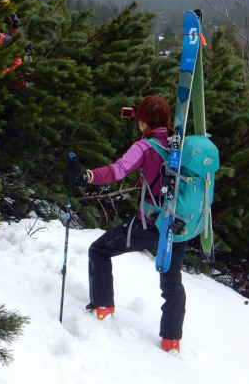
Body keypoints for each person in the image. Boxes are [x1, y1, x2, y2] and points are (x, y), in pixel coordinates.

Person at [65, 96, 186, 356]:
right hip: (180, 224)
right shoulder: (180, 144)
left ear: (143, 120)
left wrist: (86, 175)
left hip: (152, 223)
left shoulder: (145, 146)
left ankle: (103, 308)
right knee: (172, 279)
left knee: (99, 250)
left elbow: (118, 170)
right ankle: (171, 342)